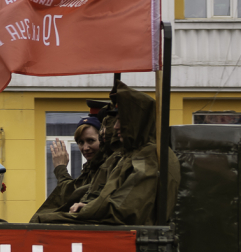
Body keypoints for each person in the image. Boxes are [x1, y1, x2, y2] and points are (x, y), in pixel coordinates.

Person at [32, 82, 180, 226]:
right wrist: (87, 204)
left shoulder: (148, 155)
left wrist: (88, 208)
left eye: (122, 120)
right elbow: (98, 193)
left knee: (42, 221)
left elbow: (127, 207)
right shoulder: (128, 155)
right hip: (116, 222)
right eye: (80, 142)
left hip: (128, 229)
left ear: (136, 121)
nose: (115, 127)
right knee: (42, 219)